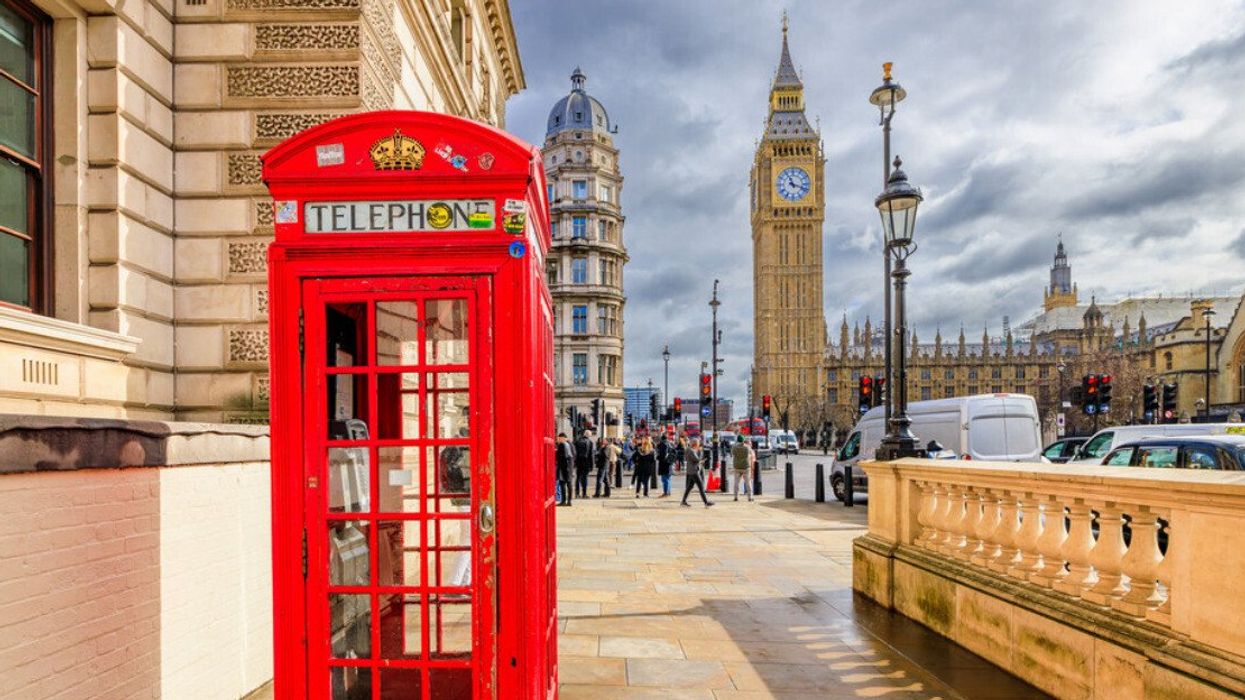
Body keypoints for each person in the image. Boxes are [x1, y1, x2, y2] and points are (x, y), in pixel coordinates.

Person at [680, 437, 714, 507]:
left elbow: (690, 459)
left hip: (690, 470)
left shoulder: (688, 450)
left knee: (689, 487)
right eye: (698, 444)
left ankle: (683, 501)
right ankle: (706, 502)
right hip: (694, 471)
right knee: (701, 486)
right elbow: (697, 460)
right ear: (695, 444)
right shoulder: (692, 451)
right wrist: (702, 460)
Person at [731, 434, 755, 502]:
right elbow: (751, 454)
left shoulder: (734, 447)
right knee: (748, 482)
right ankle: (750, 497)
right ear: (743, 440)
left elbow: (732, 453)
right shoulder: (747, 447)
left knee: (736, 482)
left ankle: (736, 497)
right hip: (745, 467)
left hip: (737, 467)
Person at [573, 430, 595, 499]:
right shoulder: (590, 442)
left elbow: (574, 453)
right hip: (586, 462)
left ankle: (577, 493)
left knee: (578, 478)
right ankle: (584, 494)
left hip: (579, 462)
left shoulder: (577, 441)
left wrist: (575, 463)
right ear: (589, 435)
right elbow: (591, 455)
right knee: (585, 478)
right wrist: (592, 465)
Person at [555, 433, 574, 506]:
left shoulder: (562, 445)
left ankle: (563, 501)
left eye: (559, 438)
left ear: (562, 438)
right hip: (569, 467)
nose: (558, 439)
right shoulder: (570, 444)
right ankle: (569, 501)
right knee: (569, 484)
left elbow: (563, 456)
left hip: (564, 467)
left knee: (563, 484)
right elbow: (573, 455)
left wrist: (556, 453)